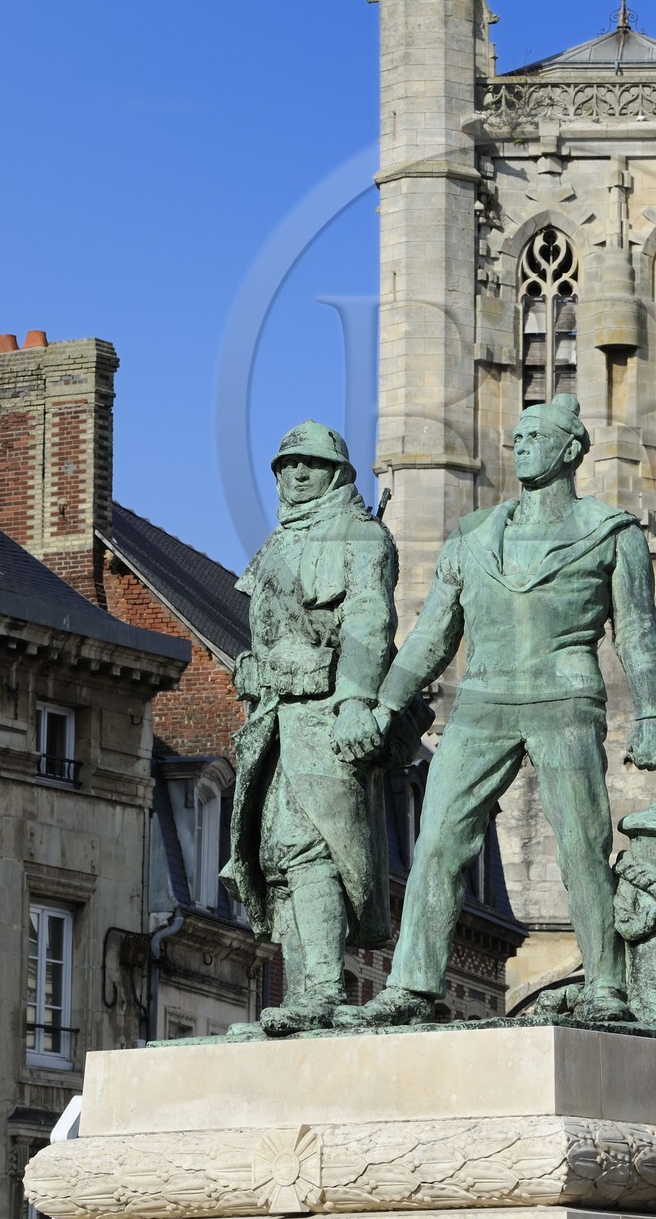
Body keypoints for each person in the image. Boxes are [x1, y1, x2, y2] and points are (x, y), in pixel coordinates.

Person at [334, 393, 656, 1026]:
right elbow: (434, 633)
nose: (520, 445)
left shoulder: (611, 532)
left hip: (565, 694)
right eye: (516, 436)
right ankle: (413, 983)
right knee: (437, 839)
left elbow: (636, 633)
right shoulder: (473, 534)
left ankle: (606, 982)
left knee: (582, 844)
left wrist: (653, 714)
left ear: (571, 450)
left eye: (536, 435)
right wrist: (383, 703)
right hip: (483, 698)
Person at [222, 421, 402, 1035]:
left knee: (313, 845)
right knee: (275, 856)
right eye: (285, 465)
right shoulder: (275, 545)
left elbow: (370, 625)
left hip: (323, 717)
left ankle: (323, 990)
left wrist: (354, 703)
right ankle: (301, 993)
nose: (295, 475)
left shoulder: (362, 537)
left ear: (336, 473)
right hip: (271, 718)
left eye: (309, 465)